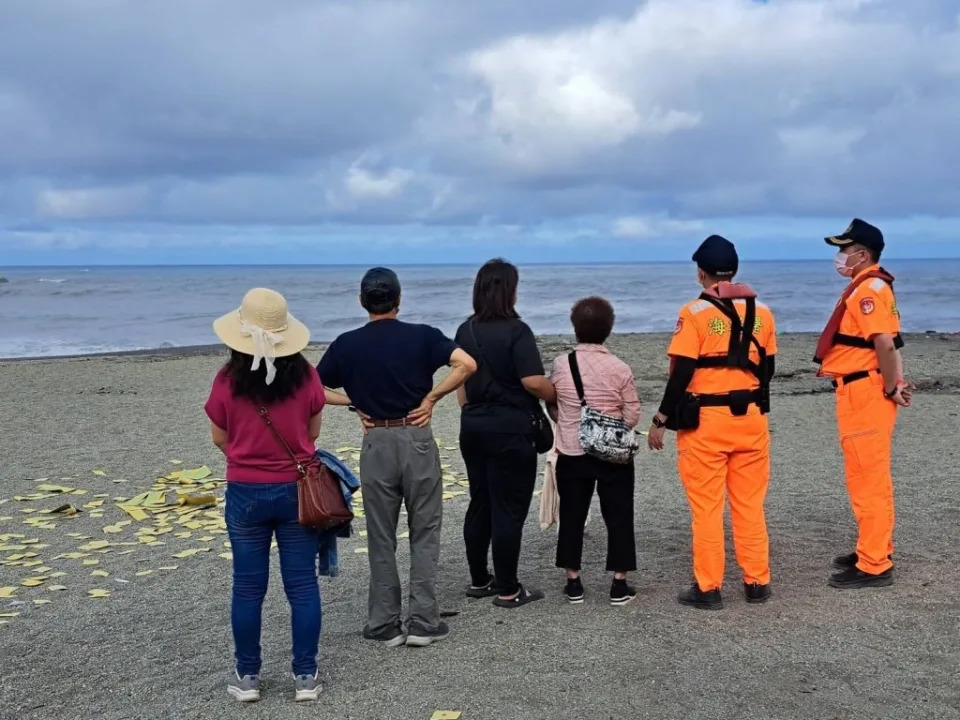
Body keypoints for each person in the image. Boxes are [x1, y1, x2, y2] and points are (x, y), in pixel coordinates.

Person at [317, 267, 476, 647]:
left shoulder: (346, 344)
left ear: (361, 301)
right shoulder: (422, 336)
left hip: (377, 440)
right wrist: (432, 398)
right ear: (399, 300)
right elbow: (467, 364)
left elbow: (313, 386)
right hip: (416, 435)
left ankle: (384, 623)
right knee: (425, 529)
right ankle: (423, 620)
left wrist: (352, 402)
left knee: (381, 534)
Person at [204, 287, 326, 703]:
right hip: (297, 490)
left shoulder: (226, 380)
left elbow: (219, 436)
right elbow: (311, 435)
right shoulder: (307, 376)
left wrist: (246, 457)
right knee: (303, 587)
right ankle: (306, 676)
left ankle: (247, 676)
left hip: (245, 492)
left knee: (247, 587)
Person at [647, 236, 777, 610]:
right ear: (734, 271)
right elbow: (767, 368)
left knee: (706, 508)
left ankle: (709, 587)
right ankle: (757, 581)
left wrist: (661, 418)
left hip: (706, 424)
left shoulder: (695, 313)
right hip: (751, 420)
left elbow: (682, 371)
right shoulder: (763, 313)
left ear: (701, 273)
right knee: (750, 505)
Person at [815, 218, 911, 589]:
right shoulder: (867, 287)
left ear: (862, 254)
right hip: (861, 388)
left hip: (865, 392)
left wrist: (889, 388)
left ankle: (875, 564)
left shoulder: (869, 289)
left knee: (867, 479)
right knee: (868, 477)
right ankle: (873, 547)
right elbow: (888, 344)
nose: (840, 257)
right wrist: (896, 382)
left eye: (844, 250)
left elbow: (884, 343)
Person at [455, 259, 555, 608]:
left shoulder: (465, 331)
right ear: (509, 290)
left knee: (480, 501)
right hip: (511, 429)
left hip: (474, 426)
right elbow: (532, 381)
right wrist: (553, 392)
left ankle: (480, 579)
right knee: (508, 508)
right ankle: (510, 589)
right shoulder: (517, 331)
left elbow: (462, 390)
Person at [549, 297, 641, 606]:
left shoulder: (562, 365)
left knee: (572, 515)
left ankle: (573, 581)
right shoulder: (620, 368)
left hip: (572, 451)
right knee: (618, 515)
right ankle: (619, 583)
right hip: (613, 454)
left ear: (574, 328)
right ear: (609, 329)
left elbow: (555, 405)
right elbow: (631, 417)